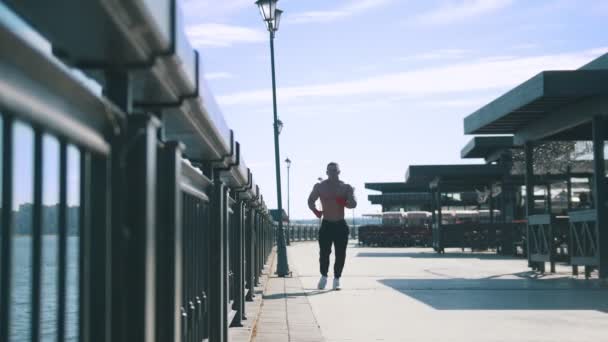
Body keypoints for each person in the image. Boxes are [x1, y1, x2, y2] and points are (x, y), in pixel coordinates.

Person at [307, 162, 357, 290]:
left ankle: (337, 279)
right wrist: (316, 211)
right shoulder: (320, 186)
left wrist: (344, 202)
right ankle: (323, 276)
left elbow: (353, 203)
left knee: (340, 254)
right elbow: (310, 200)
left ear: (339, 172)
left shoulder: (346, 187)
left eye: (335, 170)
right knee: (324, 253)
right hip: (326, 224)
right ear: (326, 172)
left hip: (340, 224)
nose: (332, 173)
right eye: (330, 171)